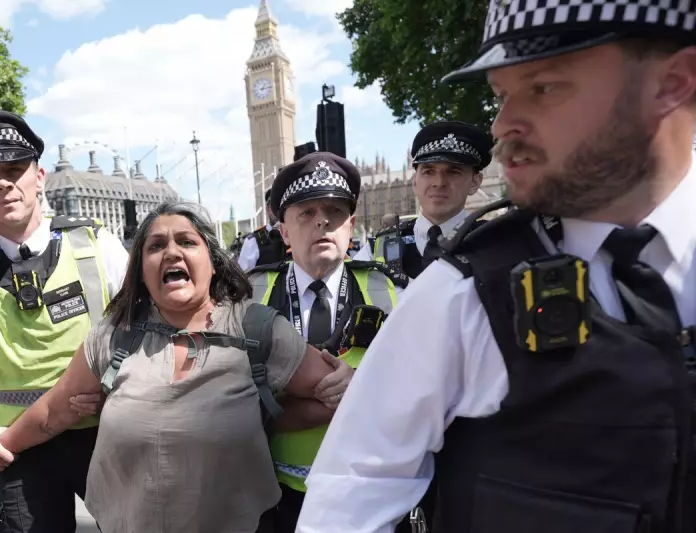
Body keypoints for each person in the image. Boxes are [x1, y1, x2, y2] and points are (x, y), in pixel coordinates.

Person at [296, 1, 696, 532]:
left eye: (544, 87)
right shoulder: (464, 295)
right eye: (502, 95)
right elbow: (350, 497)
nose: (503, 125)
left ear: (673, 83)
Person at [0, 201, 351, 532]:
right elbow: (52, 413)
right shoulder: (113, 336)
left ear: (213, 261)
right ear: (141, 271)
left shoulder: (258, 329)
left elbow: (335, 396)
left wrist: (262, 414)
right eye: (155, 247)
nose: (171, 252)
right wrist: (0, 444)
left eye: (186, 241)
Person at [0, 108, 128, 532]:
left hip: (107, 435)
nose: (3, 181)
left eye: (15, 168)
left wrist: (119, 390)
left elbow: (152, 334)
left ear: (39, 177)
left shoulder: (98, 247)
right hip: (19, 447)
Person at [248, 152, 402, 532]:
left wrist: (362, 385)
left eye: (334, 212)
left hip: (369, 492)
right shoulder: (249, 295)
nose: (322, 221)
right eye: (306, 212)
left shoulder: (392, 292)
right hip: (278, 495)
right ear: (284, 232)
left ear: (350, 227)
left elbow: (425, 384)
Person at [354, 122, 493, 282]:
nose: (439, 182)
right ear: (415, 182)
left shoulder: (493, 245)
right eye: (428, 172)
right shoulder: (376, 251)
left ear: (475, 182)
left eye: (454, 171)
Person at [238, 189, 288, 271]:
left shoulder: (297, 236)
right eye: (274, 206)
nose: (278, 210)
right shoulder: (253, 242)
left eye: (281, 205)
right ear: (267, 209)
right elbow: (243, 279)